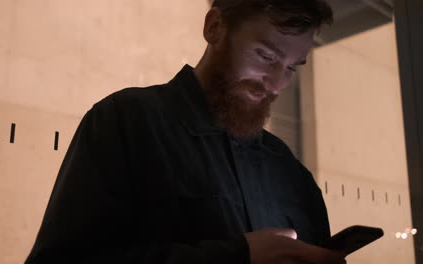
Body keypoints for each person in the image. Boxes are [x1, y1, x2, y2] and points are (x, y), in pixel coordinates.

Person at [26, 0, 347, 263]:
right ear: (214, 28)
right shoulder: (125, 122)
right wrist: (238, 255)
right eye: (266, 56)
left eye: (292, 67)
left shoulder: (287, 168)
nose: (277, 84)